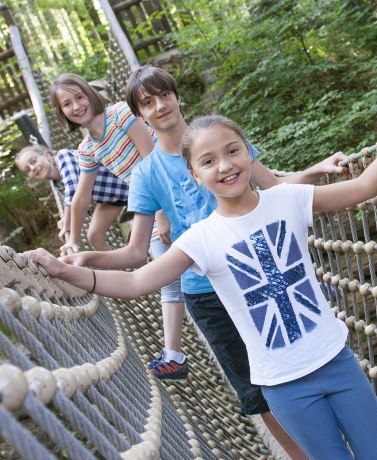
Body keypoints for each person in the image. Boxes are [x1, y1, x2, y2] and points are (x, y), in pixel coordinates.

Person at [27, 102, 377, 458]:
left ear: (248, 152)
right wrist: (65, 270)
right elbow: (137, 282)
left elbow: (363, 186)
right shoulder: (200, 239)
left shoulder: (288, 199)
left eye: (232, 151)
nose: (224, 165)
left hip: (337, 360)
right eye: (208, 161)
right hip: (282, 385)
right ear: (193, 174)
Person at [57, 65, 348, 459]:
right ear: (138, 115)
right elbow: (135, 254)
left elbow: (275, 188)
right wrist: (86, 256)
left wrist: (315, 170)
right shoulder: (144, 174)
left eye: (164, 96)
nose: (159, 106)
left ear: (177, 97)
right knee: (256, 393)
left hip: (256, 274)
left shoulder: (219, 138)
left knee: (305, 367)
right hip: (205, 293)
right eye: (148, 102)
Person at [50, 73, 154, 255]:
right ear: (62, 113)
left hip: (168, 183)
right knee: (144, 253)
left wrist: (161, 213)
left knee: (148, 251)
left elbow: (152, 161)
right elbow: (81, 197)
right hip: (148, 198)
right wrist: (73, 239)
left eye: (79, 97)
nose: (76, 106)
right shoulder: (87, 149)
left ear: (90, 94)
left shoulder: (119, 114)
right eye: (67, 104)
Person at [16, 145, 129, 251]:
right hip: (113, 199)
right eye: (28, 169)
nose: (33, 168)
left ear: (47, 156)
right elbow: (72, 199)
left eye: (33, 161)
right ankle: (125, 268)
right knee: (94, 237)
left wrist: (73, 239)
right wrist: (66, 217)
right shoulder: (57, 183)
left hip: (127, 183)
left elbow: (74, 193)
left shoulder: (63, 156)